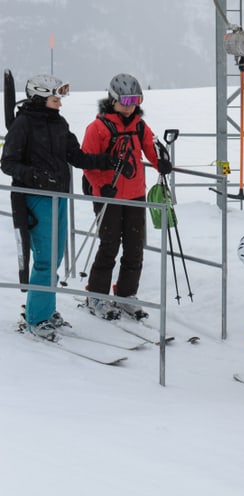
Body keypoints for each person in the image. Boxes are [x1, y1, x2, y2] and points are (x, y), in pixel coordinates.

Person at [1, 74, 117, 340]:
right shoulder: (23, 124)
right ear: (41, 97)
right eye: (56, 98)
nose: (61, 103)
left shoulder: (58, 123)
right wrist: (38, 177)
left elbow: (75, 156)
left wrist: (107, 161)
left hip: (59, 197)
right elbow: (8, 163)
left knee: (55, 258)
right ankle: (36, 318)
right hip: (36, 199)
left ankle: (45, 308)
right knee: (45, 259)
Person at [80, 73, 170, 320]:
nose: (130, 106)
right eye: (126, 100)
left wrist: (160, 162)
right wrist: (100, 185)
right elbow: (88, 164)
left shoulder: (139, 125)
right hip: (108, 196)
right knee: (109, 245)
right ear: (113, 99)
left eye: (135, 100)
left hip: (135, 194)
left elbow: (151, 147)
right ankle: (96, 294)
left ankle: (126, 294)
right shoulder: (97, 128)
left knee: (134, 247)